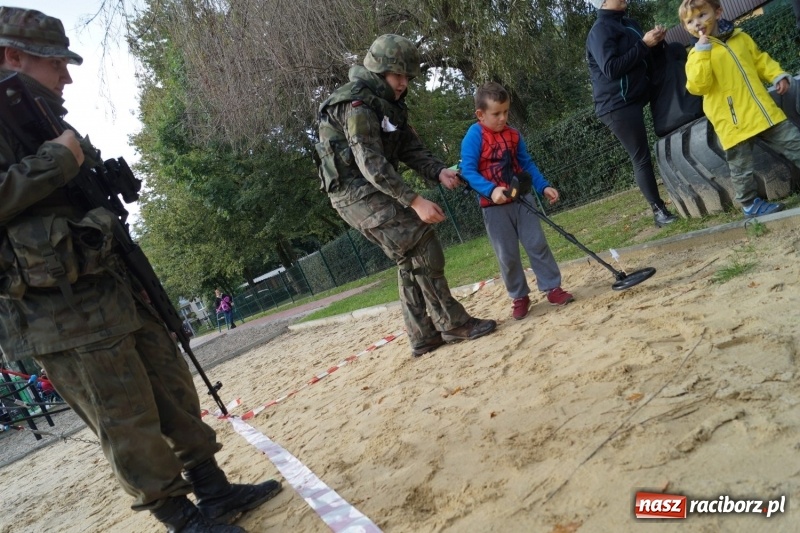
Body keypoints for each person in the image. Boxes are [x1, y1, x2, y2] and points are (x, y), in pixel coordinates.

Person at [0, 8, 280, 532]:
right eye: (55, 62)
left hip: (112, 282)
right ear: (11, 56)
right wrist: (58, 162)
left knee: (171, 386)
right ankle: (181, 518)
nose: (67, 75)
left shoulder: (41, 116)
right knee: (124, 418)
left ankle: (214, 491)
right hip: (57, 310)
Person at [315, 34, 497, 358]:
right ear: (379, 71)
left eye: (408, 77)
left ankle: (424, 337)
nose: (403, 83)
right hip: (354, 193)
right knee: (421, 240)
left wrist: (438, 171)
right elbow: (370, 162)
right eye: (398, 76)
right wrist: (414, 201)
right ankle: (452, 323)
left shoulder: (388, 104)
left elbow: (410, 147)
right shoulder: (358, 105)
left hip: (364, 188)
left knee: (409, 256)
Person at [459, 82, 574, 320]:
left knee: (537, 243)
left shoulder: (513, 135)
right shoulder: (474, 136)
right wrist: (491, 190)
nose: (503, 118)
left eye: (506, 112)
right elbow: (468, 172)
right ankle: (519, 296)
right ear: (480, 114)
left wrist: (544, 186)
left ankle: (552, 287)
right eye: (496, 114)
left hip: (523, 199)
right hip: (494, 208)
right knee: (507, 255)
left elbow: (527, 163)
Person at [681, 0, 800, 218]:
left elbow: (759, 60)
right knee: (740, 166)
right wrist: (702, 52)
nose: (697, 23)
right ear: (686, 27)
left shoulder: (740, 37)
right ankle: (749, 204)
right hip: (733, 121)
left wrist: (776, 74)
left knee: (794, 141)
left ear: (717, 12)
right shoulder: (695, 55)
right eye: (690, 21)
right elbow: (698, 86)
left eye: (701, 15)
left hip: (762, 110)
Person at [586, 0, 679, 228]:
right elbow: (611, 69)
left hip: (640, 94)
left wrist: (656, 43)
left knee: (672, 130)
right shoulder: (599, 31)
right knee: (641, 158)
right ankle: (659, 212)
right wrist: (644, 44)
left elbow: (644, 56)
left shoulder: (629, 23)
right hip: (616, 105)